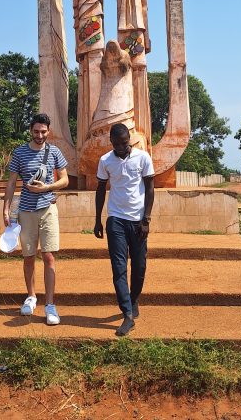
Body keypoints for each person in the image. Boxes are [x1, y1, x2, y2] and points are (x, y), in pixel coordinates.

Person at [3, 113, 69, 325]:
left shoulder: (54, 152)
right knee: (29, 256)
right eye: (36, 131)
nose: (40, 135)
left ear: (48, 131)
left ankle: (50, 304)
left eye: (43, 131)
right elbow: (12, 182)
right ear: (30, 130)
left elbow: (65, 179)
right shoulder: (20, 153)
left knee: (49, 256)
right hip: (26, 211)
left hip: (48, 210)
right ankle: (31, 297)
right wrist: (6, 209)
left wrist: (48, 187)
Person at [94, 123, 155, 336]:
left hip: (138, 220)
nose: (122, 147)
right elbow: (100, 190)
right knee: (118, 267)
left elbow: (149, 188)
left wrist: (146, 219)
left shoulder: (143, 157)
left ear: (130, 139)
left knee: (139, 266)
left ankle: (134, 299)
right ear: (111, 142)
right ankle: (127, 314)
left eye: (125, 142)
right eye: (117, 144)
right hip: (116, 220)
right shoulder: (105, 161)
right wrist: (97, 220)